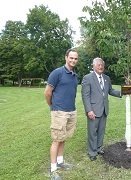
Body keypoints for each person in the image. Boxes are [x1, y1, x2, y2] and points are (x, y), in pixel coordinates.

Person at [44, 49, 79, 180]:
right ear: (66, 58)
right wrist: (53, 106)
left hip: (71, 111)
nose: (73, 60)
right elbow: (47, 93)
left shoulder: (75, 75)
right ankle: (53, 169)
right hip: (59, 111)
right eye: (71, 58)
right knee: (56, 139)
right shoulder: (57, 73)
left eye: (75, 58)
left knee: (63, 137)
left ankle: (60, 162)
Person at [81, 57, 122, 161]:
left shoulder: (106, 78)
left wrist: (123, 93)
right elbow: (85, 96)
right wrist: (89, 110)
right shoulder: (87, 78)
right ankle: (92, 152)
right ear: (94, 66)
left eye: (102, 65)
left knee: (101, 131)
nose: (100, 67)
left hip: (104, 110)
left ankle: (98, 148)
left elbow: (111, 91)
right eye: (98, 65)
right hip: (93, 110)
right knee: (92, 132)